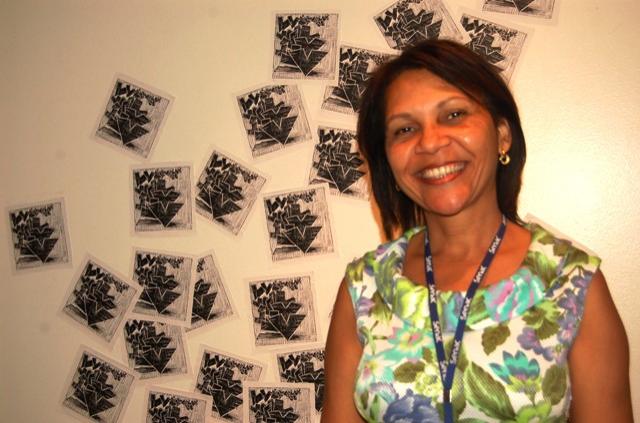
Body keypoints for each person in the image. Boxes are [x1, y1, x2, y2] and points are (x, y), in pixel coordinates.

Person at [321, 40, 633, 422]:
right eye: (405, 129)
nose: (430, 142)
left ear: (502, 134)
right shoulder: (364, 288)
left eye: (454, 114)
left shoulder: (571, 281)